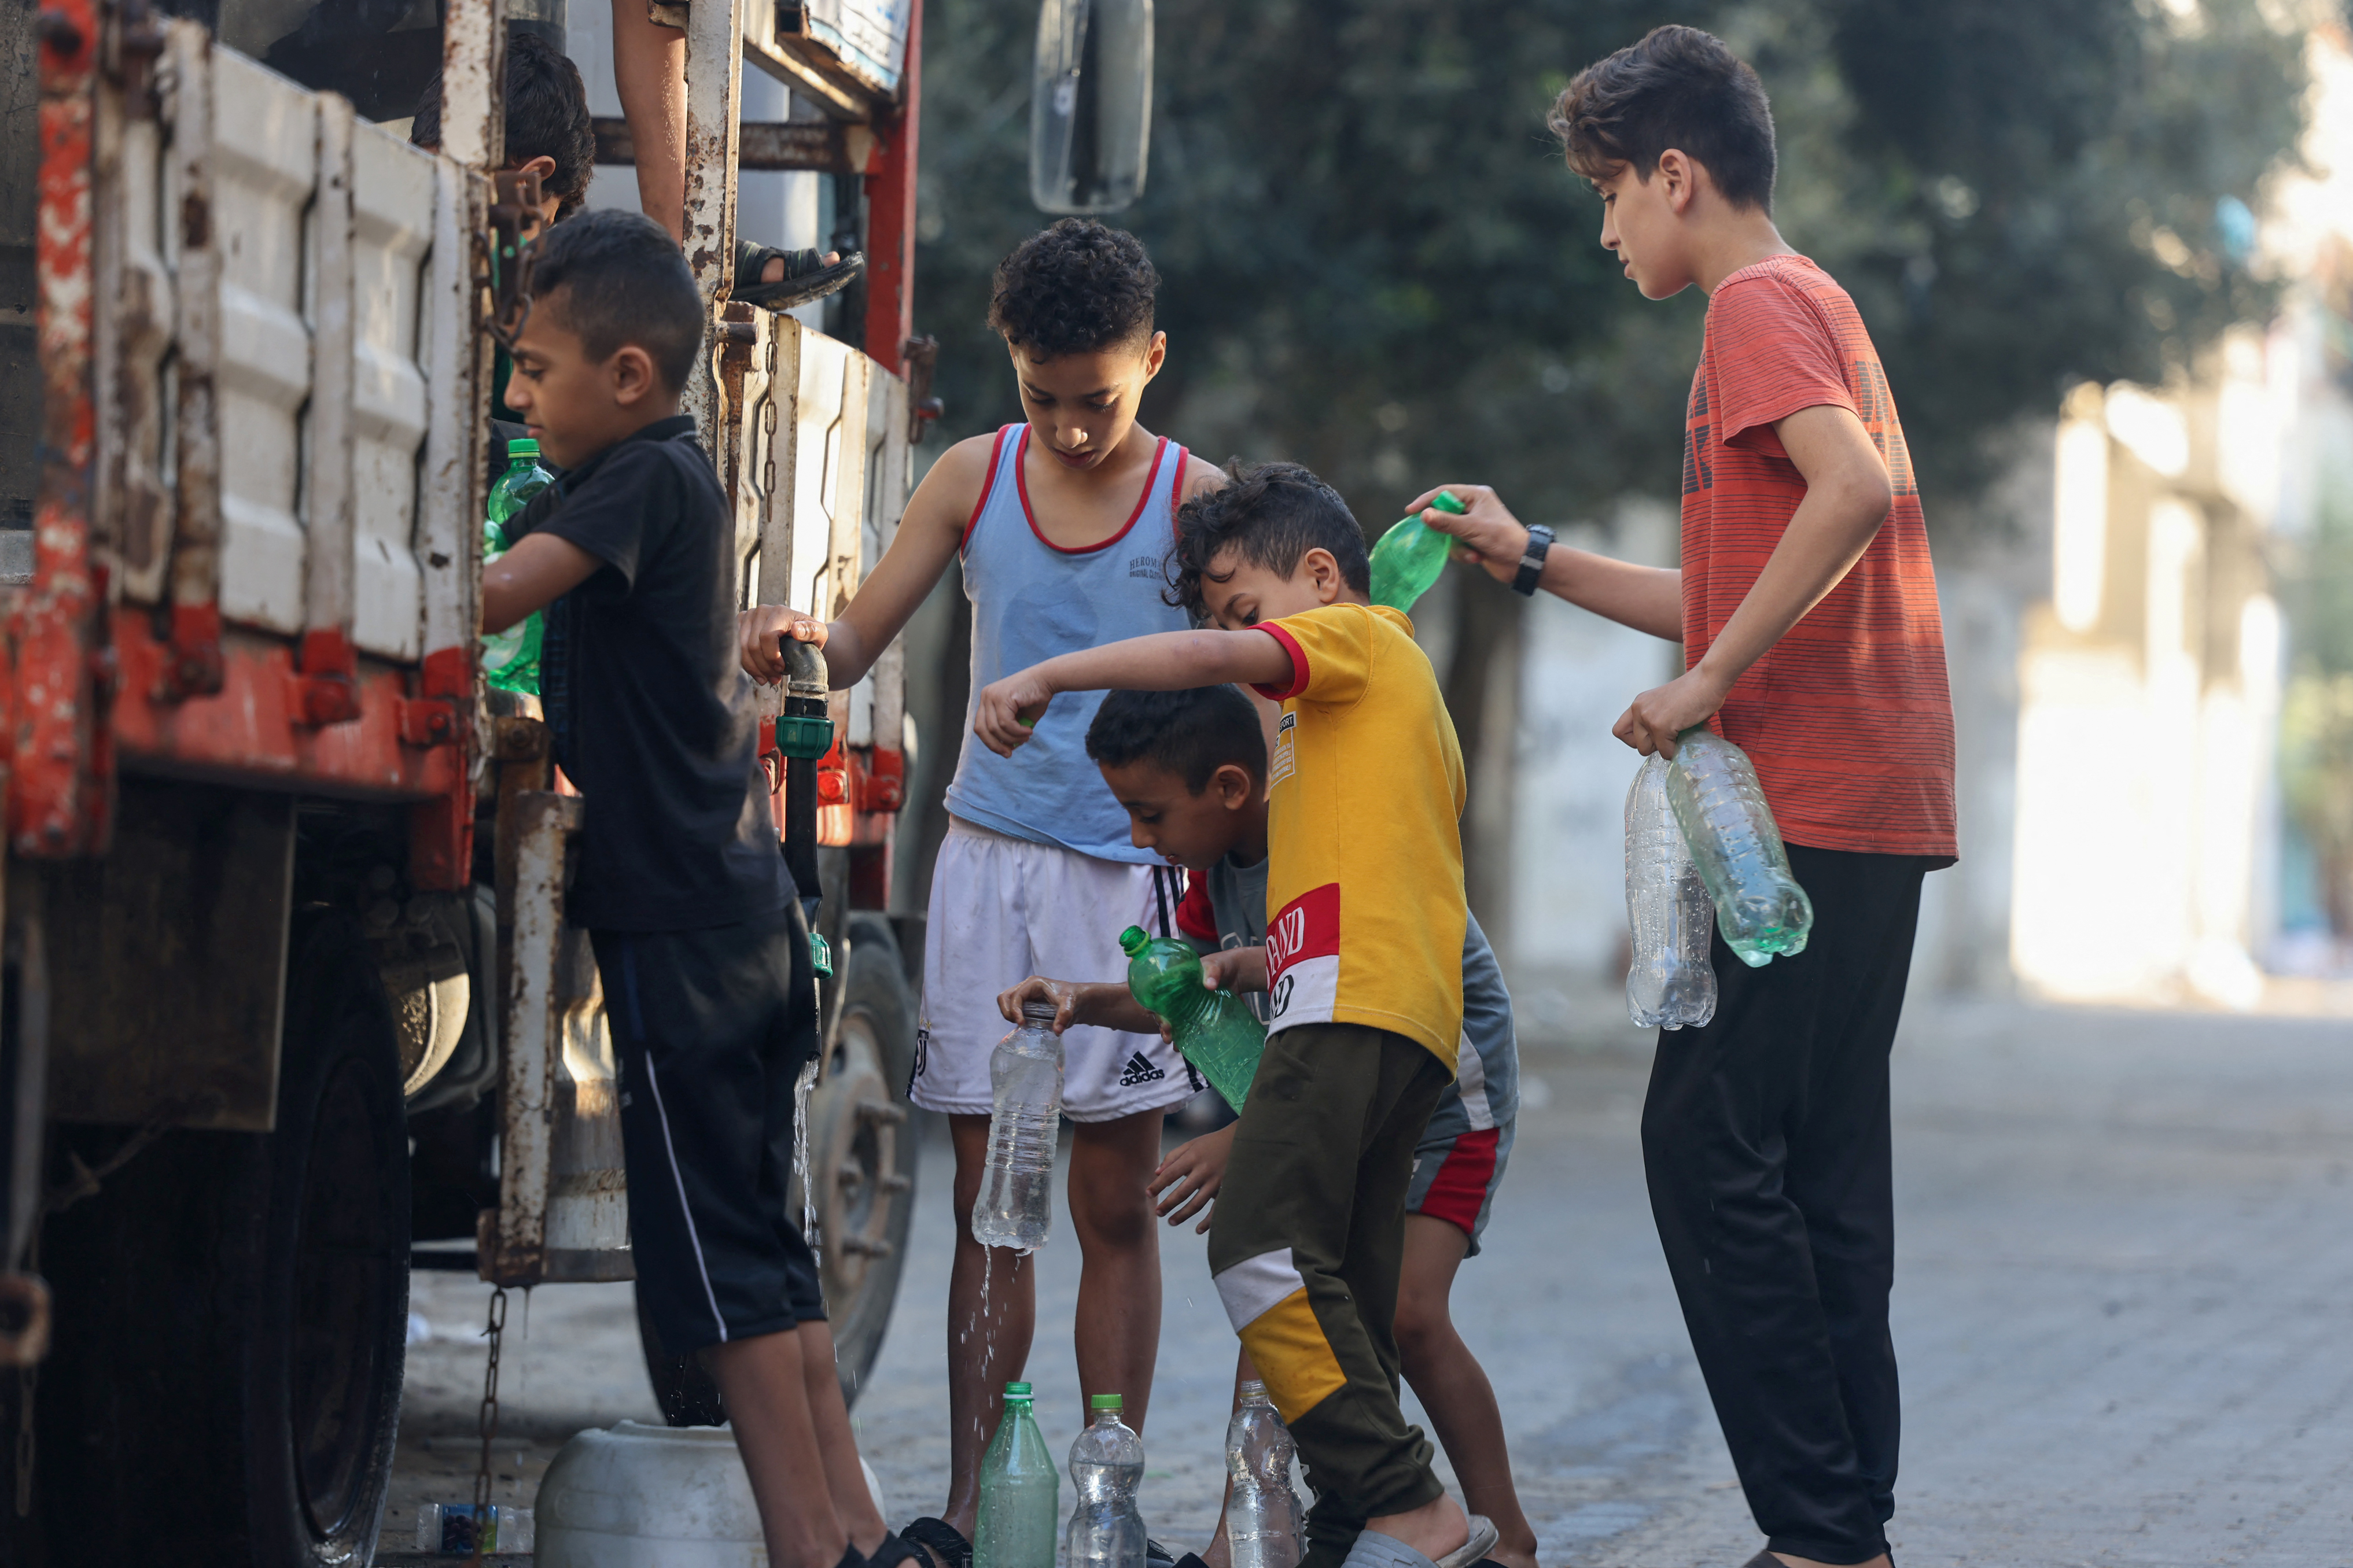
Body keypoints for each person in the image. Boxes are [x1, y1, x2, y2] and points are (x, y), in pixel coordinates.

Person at [1414, 26, 1957, 1568]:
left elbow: (1848, 493)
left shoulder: (1756, 307)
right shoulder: (1817, 304)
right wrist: (1529, 556)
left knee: (1704, 1150)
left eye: (1608, 195)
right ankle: (1841, 1527)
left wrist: (1709, 689)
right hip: (1874, 802)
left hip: (1798, 816)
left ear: (1676, 175)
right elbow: (1735, 585)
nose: (1603, 230)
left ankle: (1815, 1534)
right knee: (1817, 1166)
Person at [738, 220, 1224, 1568]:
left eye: (1100, 400)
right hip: (990, 870)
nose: (1069, 430)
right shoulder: (973, 474)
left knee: (1110, 1204)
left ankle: (1101, 1503)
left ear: (1155, 362)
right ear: (1012, 372)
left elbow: (1240, 674)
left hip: (1127, 873)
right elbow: (852, 637)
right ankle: (975, 1502)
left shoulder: (1198, 497)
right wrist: (793, 638)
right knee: (988, 1204)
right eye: (1041, 396)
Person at [478, 208, 912, 1568]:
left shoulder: (640, 482)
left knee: (712, 1283)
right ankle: (852, 1531)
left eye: (535, 371)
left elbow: (492, 596)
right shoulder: (671, 472)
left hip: (681, 927)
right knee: (768, 1252)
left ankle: (806, 1550)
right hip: (737, 919)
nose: (514, 395)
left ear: (624, 376)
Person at [971, 462, 1501, 1568]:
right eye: (1222, 623)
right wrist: (1100, 1000)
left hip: (1359, 1009)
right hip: (1374, 1016)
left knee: (1257, 1245)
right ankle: (1361, 1528)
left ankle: (1412, 1506)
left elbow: (1217, 658)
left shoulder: (1361, 643)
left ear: (1319, 579)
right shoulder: (1339, 702)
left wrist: (1052, 676)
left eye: (1245, 615)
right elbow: (1224, 968)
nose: (1236, 646)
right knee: (1343, 1282)